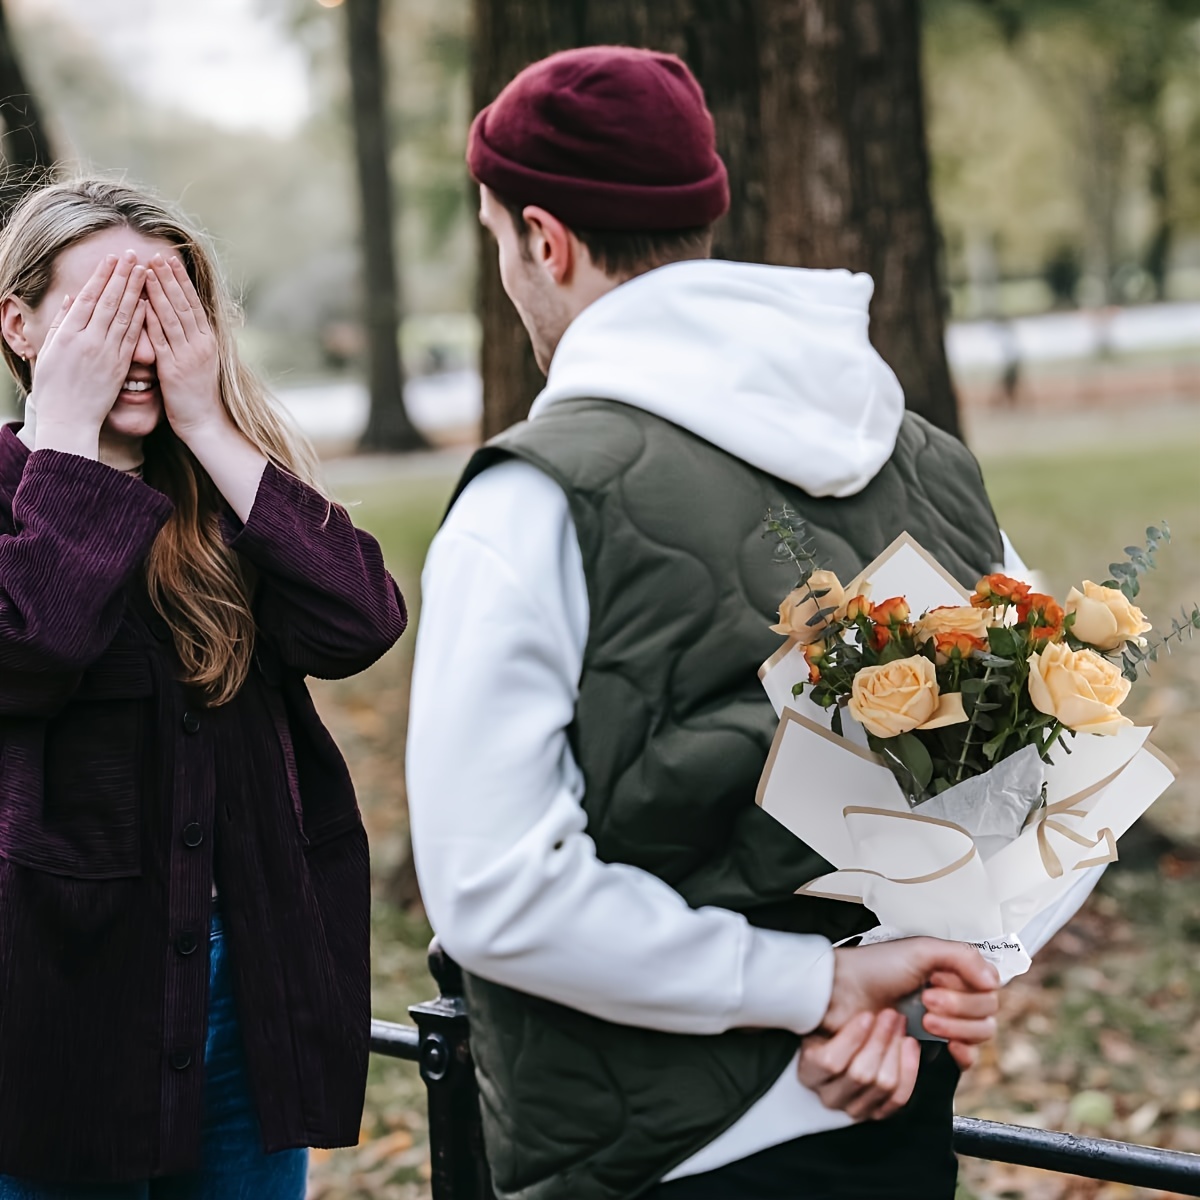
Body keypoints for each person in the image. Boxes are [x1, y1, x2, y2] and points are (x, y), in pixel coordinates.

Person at [408, 47, 1102, 1200]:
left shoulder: (533, 497)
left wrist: (832, 990)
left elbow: (496, 890)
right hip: (884, 1115)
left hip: (654, 1155)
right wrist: (940, 973)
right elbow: (1057, 774)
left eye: (497, 245)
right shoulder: (915, 452)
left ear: (545, 238)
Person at [0, 178, 407, 1198]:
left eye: (167, 315)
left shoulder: (224, 501)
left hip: (241, 993)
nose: (139, 345)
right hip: (54, 1006)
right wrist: (65, 441)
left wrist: (213, 426)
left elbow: (360, 621)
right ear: (19, 321)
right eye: (103, 312)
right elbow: (27, 648)